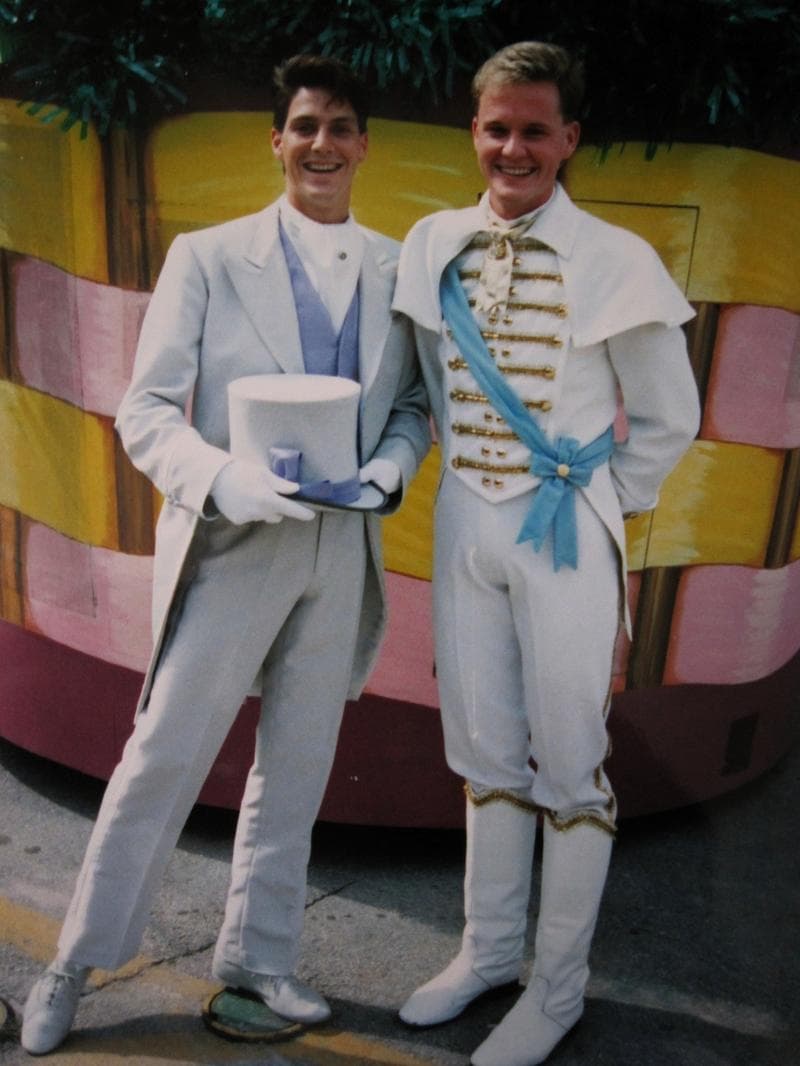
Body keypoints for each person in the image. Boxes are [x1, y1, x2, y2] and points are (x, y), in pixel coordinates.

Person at [21, 53, 429, 1056]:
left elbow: (413, 406)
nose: (321, 143)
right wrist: (219, 478)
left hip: (341, 555)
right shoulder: (208, 255)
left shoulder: (396, 268)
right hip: (233, 545)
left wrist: (390, 468)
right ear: (277, 142)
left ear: (363, 145)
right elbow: (146, 409)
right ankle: (68, 966)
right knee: (160, 756)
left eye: (339, 125)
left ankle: (259, 959)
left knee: (296, 766)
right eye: (304, 126)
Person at [392, 40, 700, 1066]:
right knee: (481, 747)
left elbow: (664, 416)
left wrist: (596, 499)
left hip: (564, 525)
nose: (512, 147)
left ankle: (555, 989)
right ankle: (484, 953)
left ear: (569, 138)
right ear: (471, 133)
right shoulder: (431, 241)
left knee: (569, 760)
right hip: (463, 520)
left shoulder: (618, 259)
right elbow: (427, 386)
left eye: (533, 129)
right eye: (495, 128)